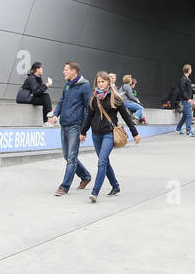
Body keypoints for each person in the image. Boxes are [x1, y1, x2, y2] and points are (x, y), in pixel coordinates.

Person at [79, 71, 140, 202]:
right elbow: (89, 116)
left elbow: (126, 117)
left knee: (101, 161)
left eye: (103, 81)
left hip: (108, 134)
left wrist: (135, 133)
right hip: (95, 134)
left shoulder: (116, 98)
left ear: (108, 82)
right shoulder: (94, 97)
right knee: (104, 161)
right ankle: (115, 186)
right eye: (98, 82)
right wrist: (83, 132)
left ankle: (95, 192)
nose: (100, 84)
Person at [47, 61, 92, 196]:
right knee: (67, 156)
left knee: (72, 157)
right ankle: (85, 176)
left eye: (66, 70)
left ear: (74, 71)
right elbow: (61, 101)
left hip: (75, 126)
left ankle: (64, 187)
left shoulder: (85, 86)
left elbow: (87, 108)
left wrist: (83, 129)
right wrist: (56, 115)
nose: (63, 72)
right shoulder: (67, 85)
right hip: (64, 124)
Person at [175, 64, 195, 136]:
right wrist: (188, 99)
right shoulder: (184, 79)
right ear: (188, 70)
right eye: (191, 69)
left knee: (185, 115)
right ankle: (188, 131)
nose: (191, 70)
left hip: (186, 99)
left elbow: (187, 90)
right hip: (186, 100)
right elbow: (182, 91)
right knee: (189, 115)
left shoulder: (186, 79)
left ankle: (178, 128)